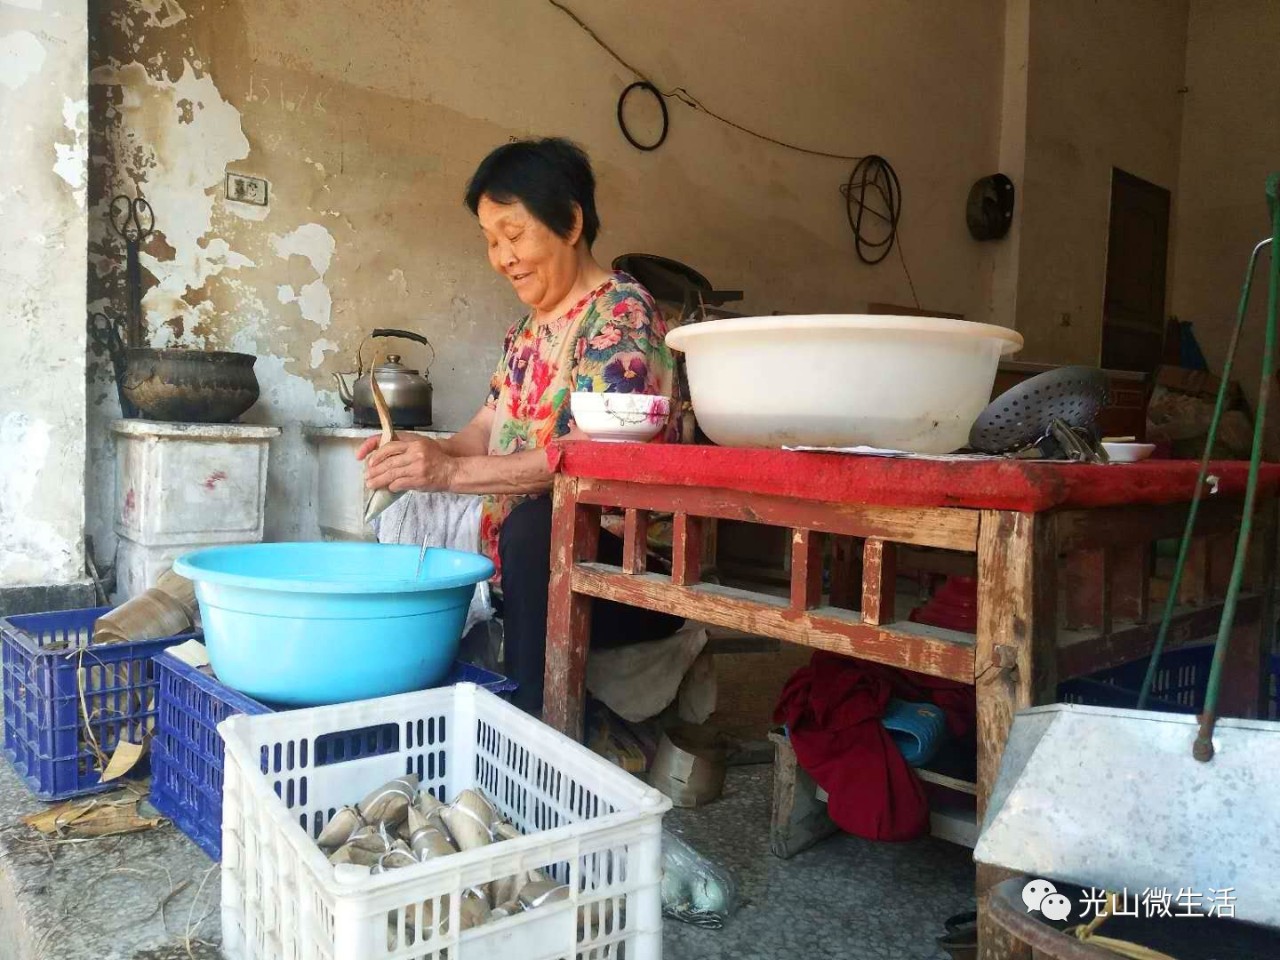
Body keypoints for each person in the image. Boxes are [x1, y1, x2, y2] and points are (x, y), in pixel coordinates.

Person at [358, 137, 683, 716]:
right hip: (526, 559)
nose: (502, 256)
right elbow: (483, 429)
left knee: (539, 525)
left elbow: (590, 460)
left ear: (572, 220)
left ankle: (535, 728)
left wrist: (453, 473)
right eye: (490, 241)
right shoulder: (525, 333)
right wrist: (419, 455)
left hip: (626, 570)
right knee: (416, 504)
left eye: (514, 234)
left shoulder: (621, 313)